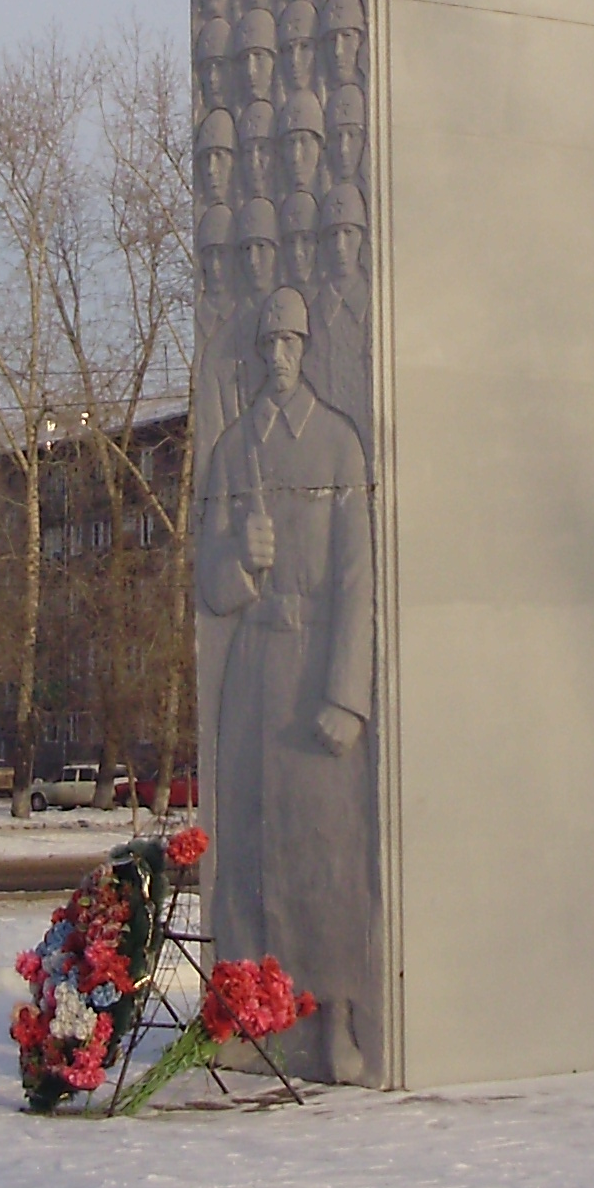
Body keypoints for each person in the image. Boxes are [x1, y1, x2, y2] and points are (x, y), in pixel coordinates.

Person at [197, 288, 374, 1083]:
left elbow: (357, 579)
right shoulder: (233, 452)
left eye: (290, 345)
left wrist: (345, 694)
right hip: (253, 678)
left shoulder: (338, 444)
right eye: (266, 346)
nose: (278, 359)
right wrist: (239, 556)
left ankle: (333, 1016)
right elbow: (209, 582)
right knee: (245, 852)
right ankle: (247, 1013)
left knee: (325, 849)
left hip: (312, 674)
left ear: (306, 349)